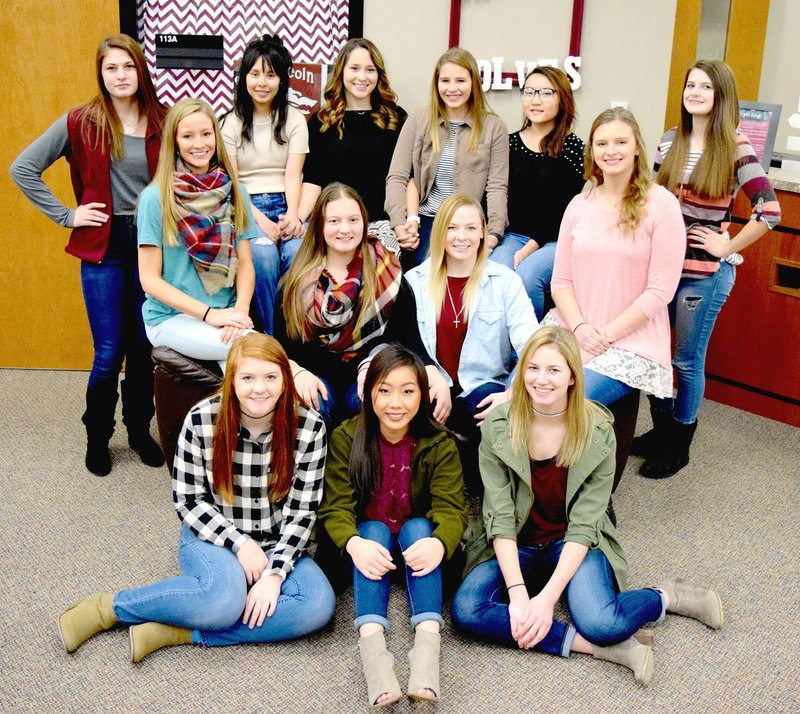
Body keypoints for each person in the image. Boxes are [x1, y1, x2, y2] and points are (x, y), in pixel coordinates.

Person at [452, 327, 724, 686]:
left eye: (553, 370)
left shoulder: (597, 429)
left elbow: (584, 525)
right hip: (514, 541)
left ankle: (666, 596)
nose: (540, 380)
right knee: (466, 610)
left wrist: (546, 599)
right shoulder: (499, 427)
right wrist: (519, 595)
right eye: (532, 368)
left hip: (572, 541)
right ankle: (597, 648)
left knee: (603, 623)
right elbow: (499, 517)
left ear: (571, 377)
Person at [56, 333, 335, 661]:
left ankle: (181, 631)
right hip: (212, 535)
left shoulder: (310, 427)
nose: (259, 389)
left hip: (278, 539)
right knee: (223, 601)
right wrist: (240, 544)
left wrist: (274, 575)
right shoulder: (203, 418)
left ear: (285, 380)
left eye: (270, 377)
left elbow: (302, 512)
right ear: (231, 380)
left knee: (317, 605)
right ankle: (110, 608)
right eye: (247, 378)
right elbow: (188, 500)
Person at [10, 34, 167, 477]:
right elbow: (22, 167)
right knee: (109, 350)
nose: (120, 75)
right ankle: (98, 437)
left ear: (141, 71)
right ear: (101, 73)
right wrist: (66, 215)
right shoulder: (81, 121)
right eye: (111, 68)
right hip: (105, 249)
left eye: (128, 67)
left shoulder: (164, 119)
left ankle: (138, 431)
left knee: (143, 347)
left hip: (153, 247)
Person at [634, 59, 781, 478]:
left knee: (685, 361)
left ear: (721, 96)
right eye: (690, 85)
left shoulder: (735, 147)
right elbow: (649, 201)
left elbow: (769, 210)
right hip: (662, 269)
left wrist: (727, 244)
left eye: (705, 87)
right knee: (654, 352)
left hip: (703, 275)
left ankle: (678, 444)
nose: (695, 92)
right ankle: (660, 432)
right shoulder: (668, 141)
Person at [318, 344, 467, 705]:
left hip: (419, 553)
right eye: (384, 390)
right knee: (370, 530)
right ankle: (376, 657)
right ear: (368, 394)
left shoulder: (439, 442)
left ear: (423, 394)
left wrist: (440, 543)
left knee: (420, 528)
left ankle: (426, 654)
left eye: (407, 391)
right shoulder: (345, 436)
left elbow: (452, 510)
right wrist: (353, 543)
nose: (395, 403)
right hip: (370, 553)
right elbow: (334, 508)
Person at [545, 107, 685, 408]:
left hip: (631, 340)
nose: (611, 151)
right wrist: (581, 328)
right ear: (592, 151)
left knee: (564, 402)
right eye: (602, 143)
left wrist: (604, 336)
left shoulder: (662, 205)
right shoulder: (578, 205)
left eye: (620, 142)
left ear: (637, 147)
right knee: (519, 389)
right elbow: (561, 281)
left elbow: (660, 291)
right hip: (574, 326)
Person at [405, 195, 538, 493]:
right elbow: (404, 346)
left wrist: (513, 393)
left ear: (482, 232)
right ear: (440, 232)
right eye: (452, 228)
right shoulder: (414, 281)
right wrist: (429, 374)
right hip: (430, 390)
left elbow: (532, 346)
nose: (461, 237)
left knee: (493, 406)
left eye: (470, 228)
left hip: (480, 387)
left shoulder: (505, 281)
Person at [275, 182, 435, 426]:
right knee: (307, 403)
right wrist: (296, 372)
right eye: (334, 221)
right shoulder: (296, 282)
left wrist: (376, 364)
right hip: (314, 376)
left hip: (369, 374)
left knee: (370, 399)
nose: (345, 229)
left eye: (353, 220)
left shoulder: (387, 275)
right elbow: (280, 349)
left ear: (364, 223)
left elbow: (410, 343)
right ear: (319, 225)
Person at [137, 98, 257, 370]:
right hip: (170, 318)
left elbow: (247, 265)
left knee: (247, 372)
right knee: (252, 352)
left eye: (206, 134)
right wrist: (209, 314)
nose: (199, 144)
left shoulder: (237, 192)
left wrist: (240, 311)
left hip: (225, 312)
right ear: (175, 142)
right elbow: (149, 280)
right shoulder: (155, 198)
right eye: (188, 136)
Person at [385, 47, 509, 270]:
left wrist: (494, 233)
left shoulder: (493, 126)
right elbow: (397, 176)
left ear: (473, 84)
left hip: (467, 223)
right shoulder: (418, 120)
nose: (452, 89)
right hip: (427, 219)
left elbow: (497, 186)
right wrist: (400, 223)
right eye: (445, 81)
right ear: (437, 83)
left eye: (460, 80)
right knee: (421, 274)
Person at [221, 34, 308, 334]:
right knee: (262, 256)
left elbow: (292, 174)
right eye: (255, 73)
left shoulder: (295, 120)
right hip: (246, 208)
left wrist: (293, 216)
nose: (262, 82)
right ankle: (269, 342)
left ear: (282, 80)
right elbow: (234, 183)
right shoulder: (230, 123)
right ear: (244, 77)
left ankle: (297, 339)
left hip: (286, 204)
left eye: (270, 75)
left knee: (299, 252)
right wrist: (260, 221)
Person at [488, 67, 585, 320]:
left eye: (545, 92)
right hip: (513, 235)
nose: (535, 100)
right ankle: (501, 354)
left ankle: (528, 353)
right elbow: (496, 192)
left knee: (528, 275)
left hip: (556, 240)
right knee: (495, 272)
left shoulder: (573, 147)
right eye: (529, 92)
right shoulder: (508, 143)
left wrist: (531, 247)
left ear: (562, 98)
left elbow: (562, 209)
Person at [300, 38, 407, 250]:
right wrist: (298, 219)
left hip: (381, 223)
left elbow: (405, 177)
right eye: (354, 68)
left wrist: (404, 222)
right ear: (341, 72)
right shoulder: (322, 121)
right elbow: (313, 179)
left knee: (380, 269)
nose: (362, 77)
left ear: (378, 75)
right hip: (335, 224)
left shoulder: (395, 119)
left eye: (370, 70)